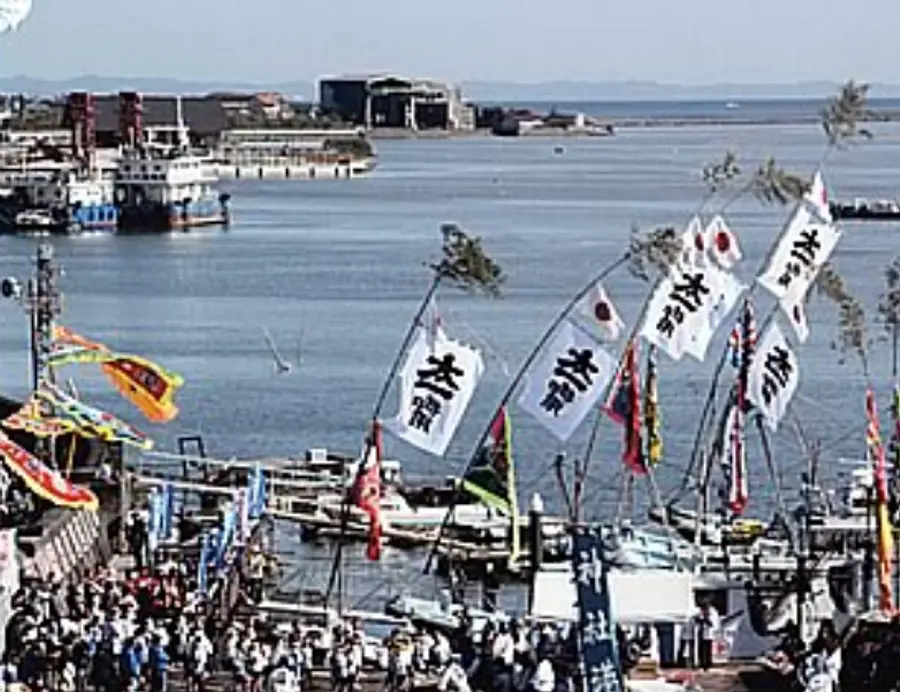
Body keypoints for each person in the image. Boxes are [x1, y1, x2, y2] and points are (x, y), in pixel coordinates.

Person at [695, 597, 720, 671]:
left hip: (709, 633)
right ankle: (701, 664)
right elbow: (698, 620)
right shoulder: (701, 611)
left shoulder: (713, 612)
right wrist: (699, 619)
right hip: (701, 633)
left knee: (707, 650)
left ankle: (707, 665)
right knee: (701, 650)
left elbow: (712, 623)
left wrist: (706, 617)